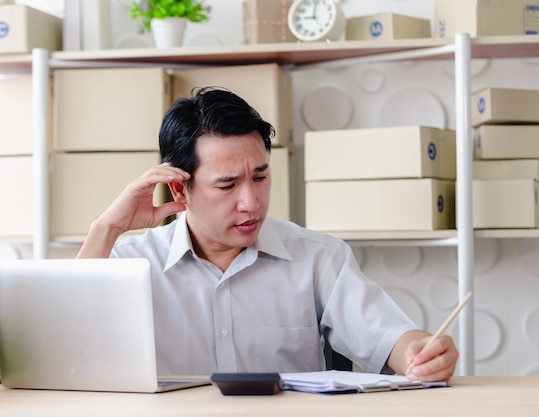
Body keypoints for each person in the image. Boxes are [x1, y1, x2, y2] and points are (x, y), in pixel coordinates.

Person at [77, 86, 459, 381]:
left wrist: (421, 353)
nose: (251, 202)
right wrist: (105, 229)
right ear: (180, 190)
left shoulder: (318, 258)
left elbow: (390, 338)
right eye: (227, 186)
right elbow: (66, 352)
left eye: (260, 177)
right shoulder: (130, 265)